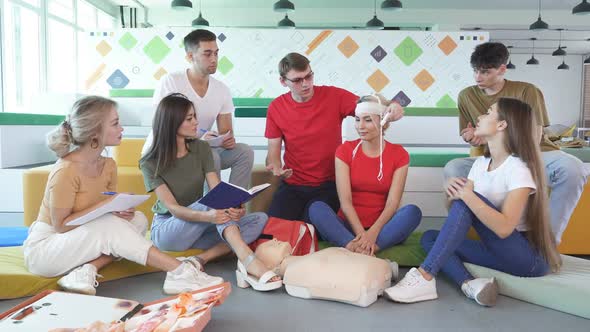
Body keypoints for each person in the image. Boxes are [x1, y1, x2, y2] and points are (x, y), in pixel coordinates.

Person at [23, 96, 221, 296]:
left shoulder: (108, 165)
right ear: (94, 132)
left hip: (80, 238)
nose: (122, 128)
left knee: (137, 220)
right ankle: (179, 271)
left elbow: (100, 213)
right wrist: (108, 205)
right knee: (110, 227)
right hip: (46, 249)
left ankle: (88, 269)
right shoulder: (65, 170)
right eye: (115, 123)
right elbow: (61, 226)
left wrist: (117, 209)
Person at [385, 98, 562, 307]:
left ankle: (424, 276)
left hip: (527, 260)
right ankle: (469, 284)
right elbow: (458, 213)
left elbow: (505, 228)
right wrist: (452, 192)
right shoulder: (480, 164)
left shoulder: (518, 168)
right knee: (431, 237)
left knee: (468, 201)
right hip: (497, 251)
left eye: (488, 112)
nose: (479, 116)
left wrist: (466, 195)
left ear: (502, 125)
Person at [445, 42, 587, 243]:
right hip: (495, 158)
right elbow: (467, 132)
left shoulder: (527, 91)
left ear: (502, 69)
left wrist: (512, 161)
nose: (478, 77)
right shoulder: (466, 95)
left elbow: (536, 134)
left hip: (537, 153)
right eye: (475, 71)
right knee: (454, 168)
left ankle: (548, 241)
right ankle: (478, 237)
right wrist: (471, 136)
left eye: (485, 72)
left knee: (574, 169)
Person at [140, 93, 281, 292]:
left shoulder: (201, 148)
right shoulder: (149, 162)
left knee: (258, 219)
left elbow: (217, 189)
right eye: (189, 119)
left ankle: (200, 259)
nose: (196, 122)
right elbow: (173, 208)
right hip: (169, 229)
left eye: (194, 116)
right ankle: (249, 261)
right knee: (213, 202)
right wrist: (209, 215)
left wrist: (236, 208)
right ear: (172, 123)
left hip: (199, 224)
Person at [265, 52, 403, 222]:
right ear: (283, 81)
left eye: (309, 76)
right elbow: (273, 154)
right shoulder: (276, 108)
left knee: (312, 225)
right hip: (292, 185)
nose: (306, 84)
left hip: (329, 186)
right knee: (273, 227)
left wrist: (393, 105)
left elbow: (369, 106)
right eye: (297, 80)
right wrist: (277, 169)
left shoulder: (334, 96)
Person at [308, 94, 421, 256]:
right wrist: (362, 235)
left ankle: (365, 249)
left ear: (383, 121)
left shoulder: (400, 154)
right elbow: (345, 202)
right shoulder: (344, 151)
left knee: (412, 212)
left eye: (367, 120)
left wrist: (372, 234)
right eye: (357, 119)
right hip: (348, 227)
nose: (360, 126)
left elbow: (393, 203)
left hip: (382, 229)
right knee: (316, 208)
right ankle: (359, 248)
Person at [142, 29, 253, 189]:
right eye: (207, 54)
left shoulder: (222, 89)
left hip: (201, 147)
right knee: (211, 156)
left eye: (216, 53)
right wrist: (199, 141)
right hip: (168, 149)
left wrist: (226, 140)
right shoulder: (171, 81)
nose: (214, 59)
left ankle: (234, 204)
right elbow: (162, 126)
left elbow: (226, 132)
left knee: (245, 152)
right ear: (190, 56)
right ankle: (214, 210)